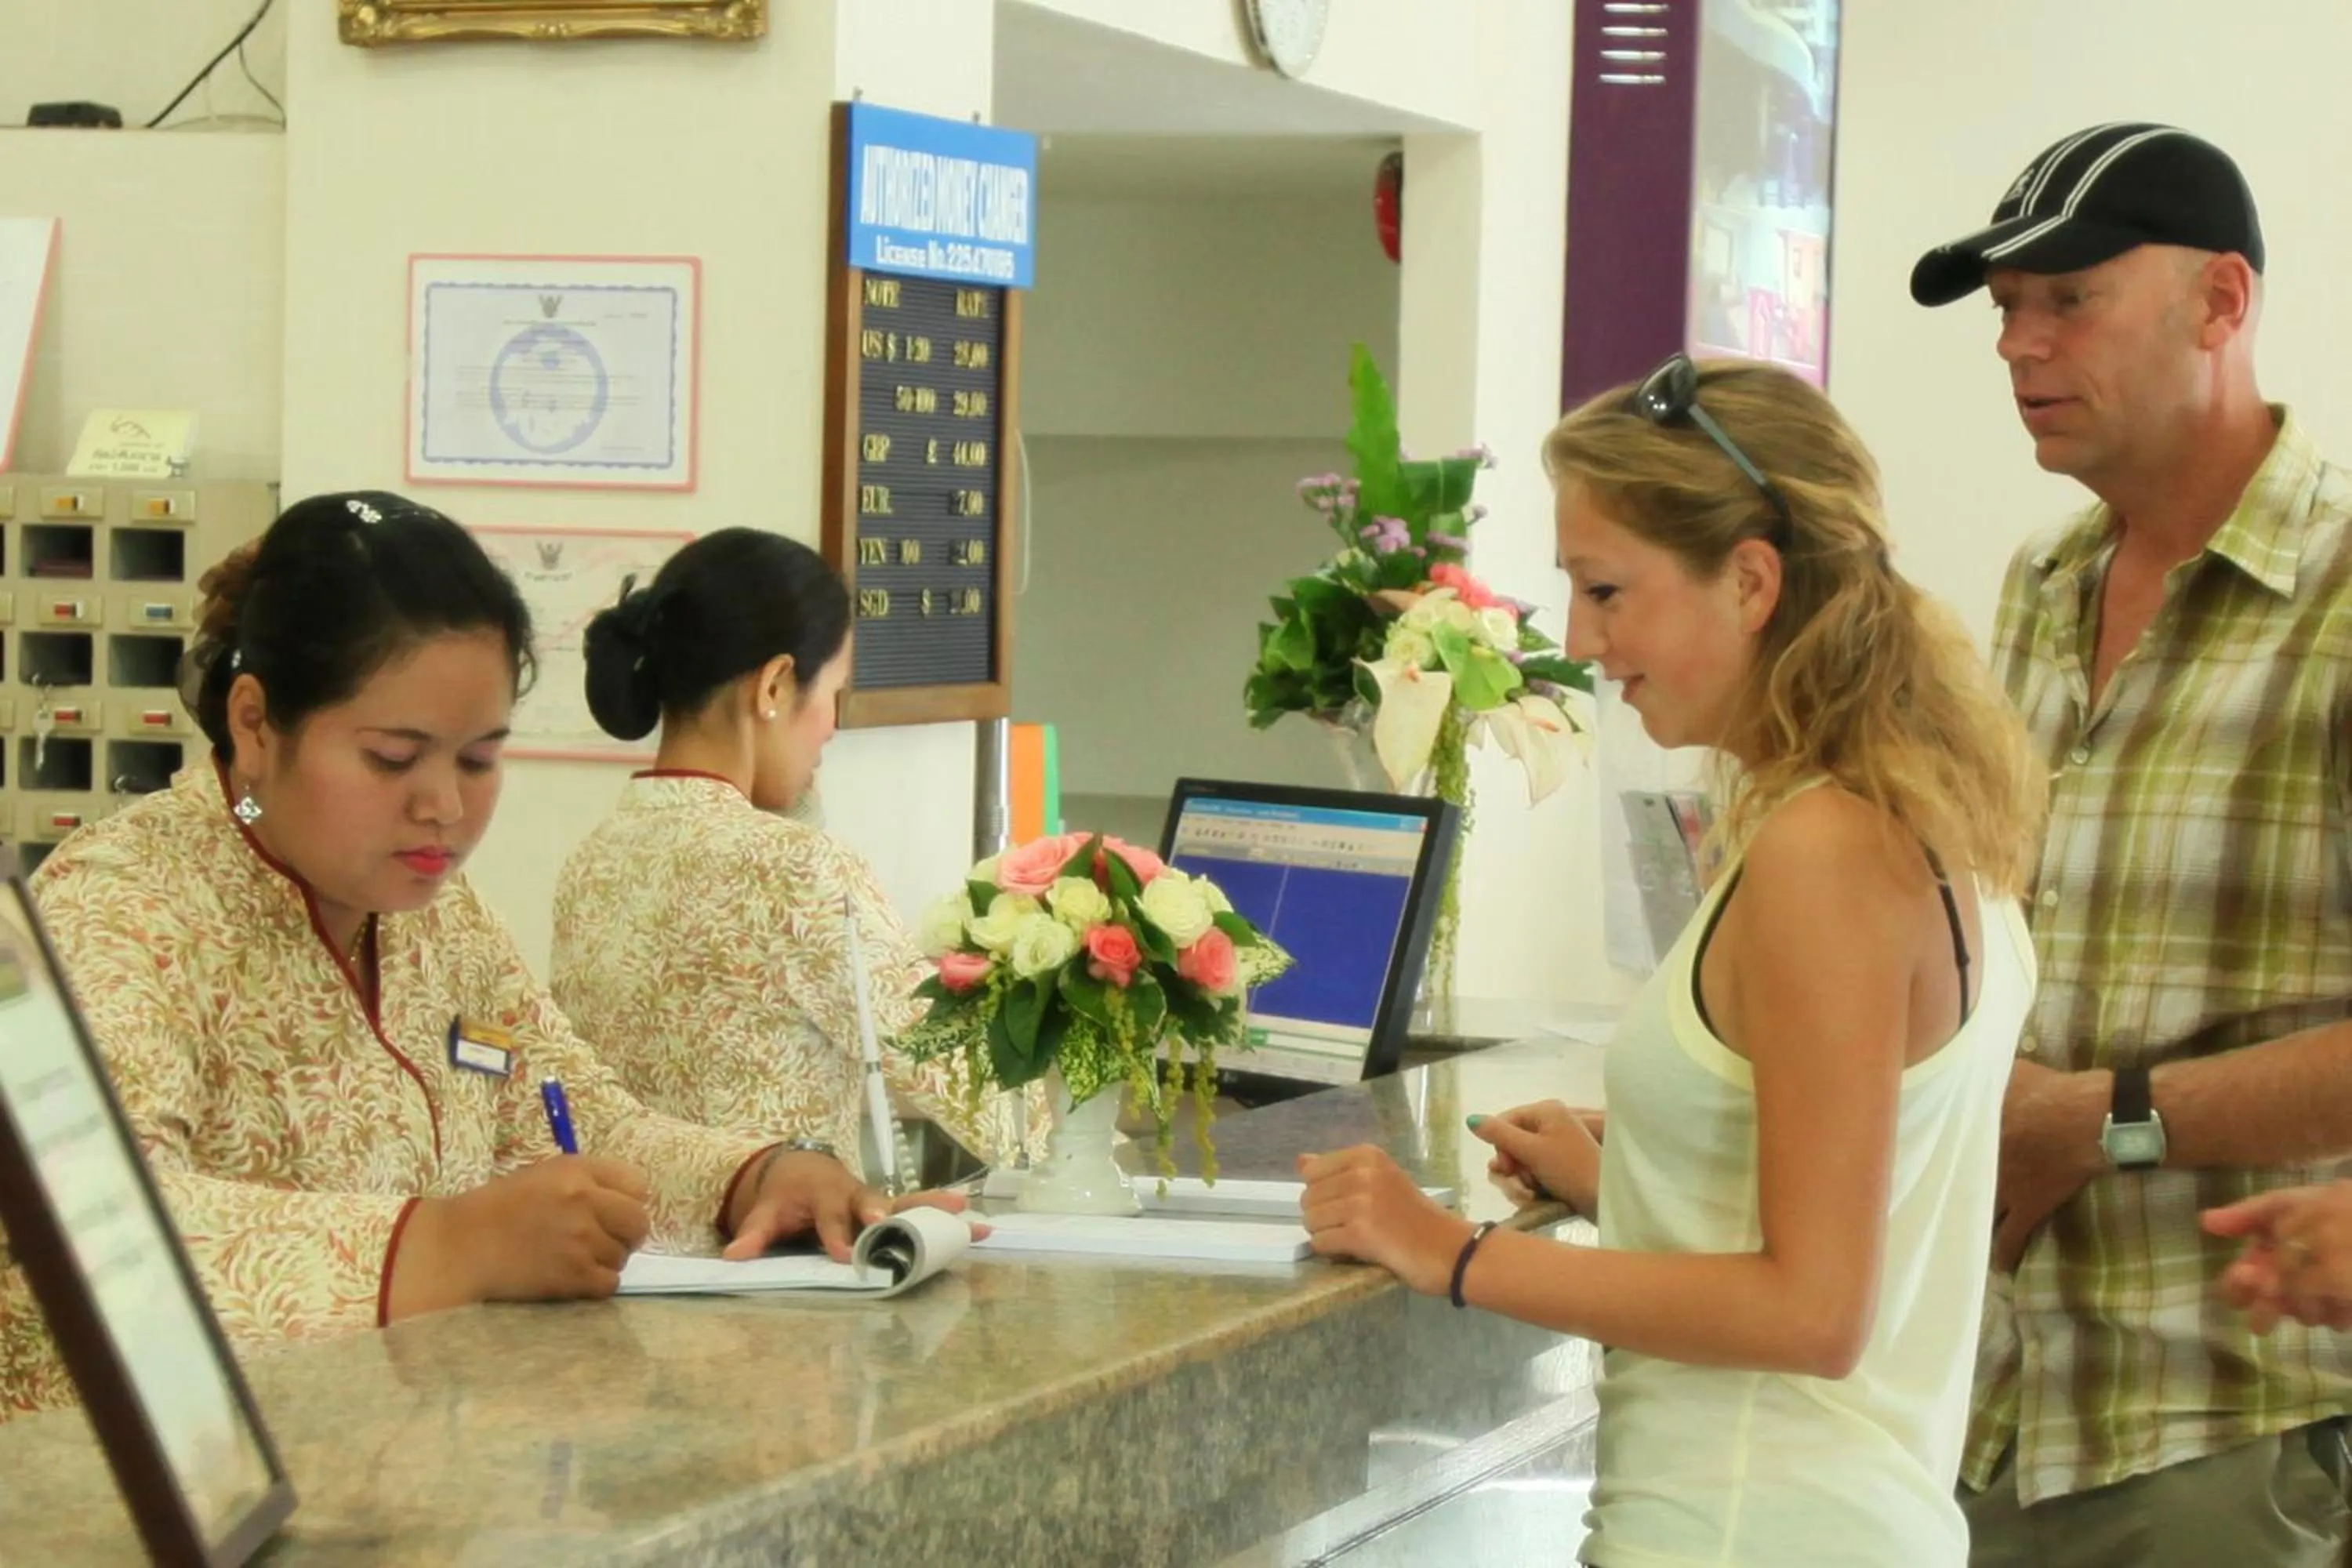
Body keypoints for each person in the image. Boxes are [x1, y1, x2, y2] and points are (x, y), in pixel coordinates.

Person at [1298, 354, 2044, 1566]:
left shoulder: (1824, 852)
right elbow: (1869, 1171)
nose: (1585, 640)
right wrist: (1641, 1175)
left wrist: (1457, 1257)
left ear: (1751, 580)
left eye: (1606, 591)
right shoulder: (1923, 817)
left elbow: (1813, 1311)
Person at [0, 492, 964, 1420]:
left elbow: (568, 1116)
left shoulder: (431, 911)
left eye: (478, 759)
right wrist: (439, 1249)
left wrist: (752, 1179)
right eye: (392, 757)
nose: (445, 809)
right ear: (255, 723)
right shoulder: (125, 908)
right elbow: (65, 1242)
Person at [1911, 122, 2352, 1564]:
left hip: (2231, 1422)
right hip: (1997, 1407)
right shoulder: (2041, 582)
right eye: (2005, 312)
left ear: (2222, 304)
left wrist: (2101, 1121)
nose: (2019, 346)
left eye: (2070, 298)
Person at [550, 528, 1034, 1169]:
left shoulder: (591, 862)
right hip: (784, 1249)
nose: (834, 725)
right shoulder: (798, 869)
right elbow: (976, 1086)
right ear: (775, 685)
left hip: (627, 1256)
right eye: (834, 694)